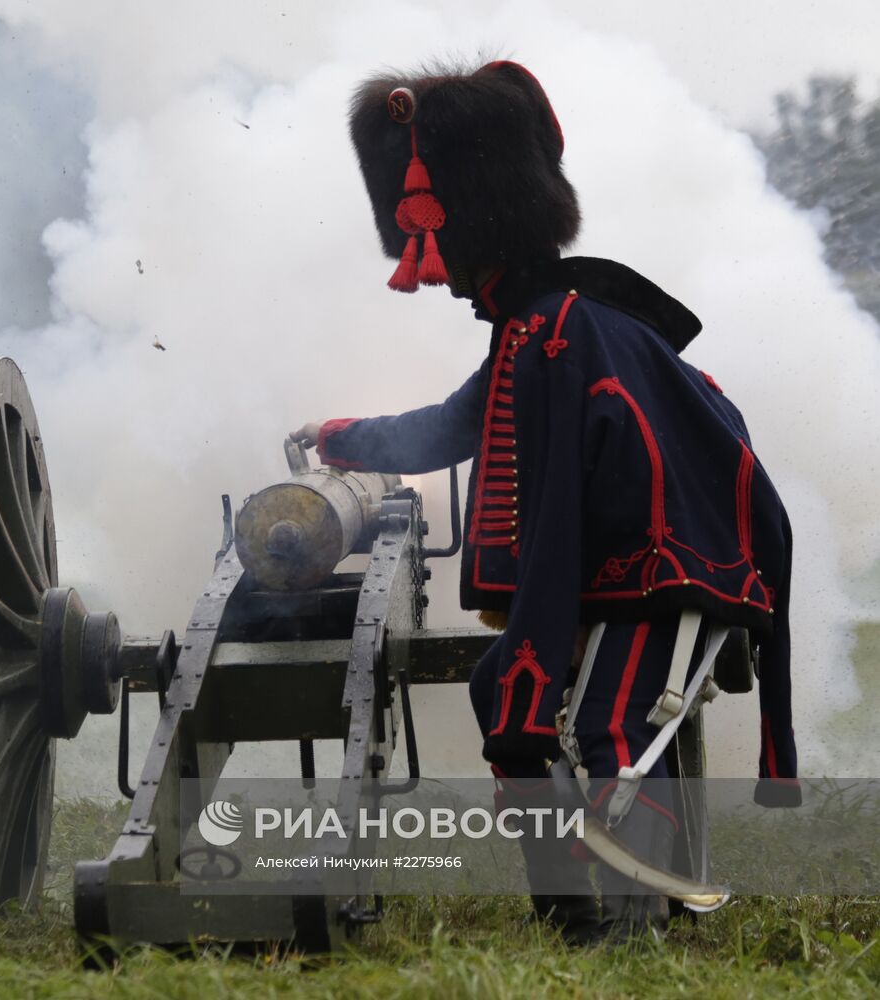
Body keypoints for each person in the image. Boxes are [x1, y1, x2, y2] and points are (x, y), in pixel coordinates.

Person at [291, 60, 798, 942]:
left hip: (661, 566)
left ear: (466, 223)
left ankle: (641, 927)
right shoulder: (535, 326)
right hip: (620, 568)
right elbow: (453, 427)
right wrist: (341, 437)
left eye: (427, 242)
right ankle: (572, 916)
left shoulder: (564, 329)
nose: (428, 271)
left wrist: (542, 620)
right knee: (505, 700)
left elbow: (572, 490)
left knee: (607, 727)